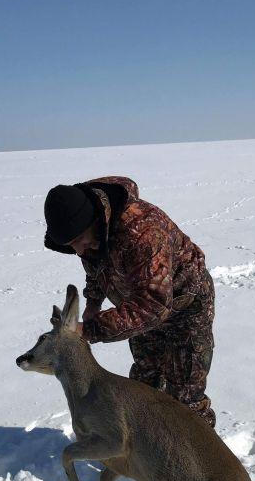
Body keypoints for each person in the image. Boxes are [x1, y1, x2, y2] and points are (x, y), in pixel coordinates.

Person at [43, 176, 216, 428]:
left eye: (79, 241)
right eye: (71, 246)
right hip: (137, 308)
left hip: (185, 308)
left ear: (94, 220)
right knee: (145, 387)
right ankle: (149, 453)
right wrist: (93, 303)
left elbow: (154, 305)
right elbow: (96, 268)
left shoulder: (143, 232)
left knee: (185, 399)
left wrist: (89, 329)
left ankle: (205, 464)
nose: (79, 251)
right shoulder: (91, 234)